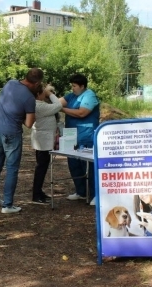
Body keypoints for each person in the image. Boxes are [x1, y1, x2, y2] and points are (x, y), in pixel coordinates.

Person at [0, 67, 44, 213]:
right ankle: (7, 205)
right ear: (37, 82)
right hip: (12, 133)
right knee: (12, 169)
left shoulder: (10, 84)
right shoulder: (29, 98)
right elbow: (29, 124)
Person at [59, 73, 100, 206]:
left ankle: (95, 195)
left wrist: (63, 109)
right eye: (72, 86)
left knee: (88, 164)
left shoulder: (89, 95)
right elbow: (57, 103)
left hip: (85, 134)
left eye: (75, 86)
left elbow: (82, 113)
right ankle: (80, 191)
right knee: (73, 164)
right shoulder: (71, 96)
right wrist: (48, 93)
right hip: (70, 134)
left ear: (82, 86)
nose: (73, 88)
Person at [31, 83, 62, 204]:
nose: (46, 93)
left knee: (42, 167)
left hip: (42, 140)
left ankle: (38, 191)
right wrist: (51, 94)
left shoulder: (38, 104)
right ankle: (36, 194)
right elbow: (58, 105)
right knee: (41, 167)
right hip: (43, 141)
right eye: (44, 92)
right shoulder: (40, 106)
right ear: (39, 94)